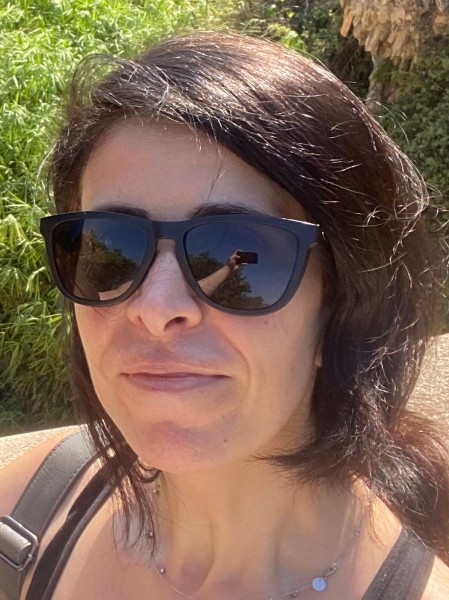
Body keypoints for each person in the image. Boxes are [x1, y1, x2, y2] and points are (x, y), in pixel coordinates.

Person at [0, 31, 448, 600]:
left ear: (343, 306)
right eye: (112, 249)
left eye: (242, 249)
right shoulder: (27, 513)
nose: (156, 308)